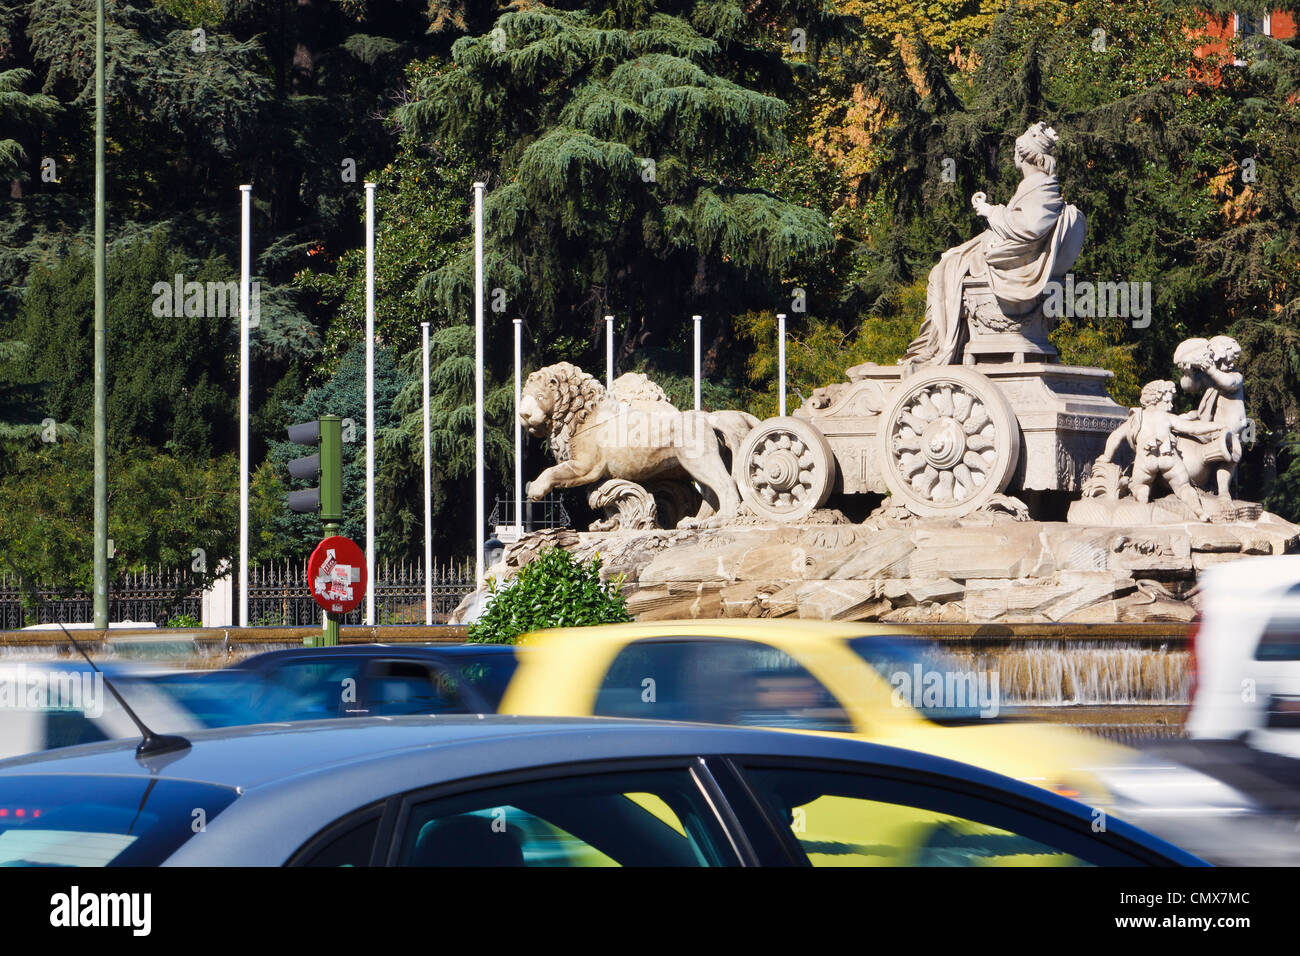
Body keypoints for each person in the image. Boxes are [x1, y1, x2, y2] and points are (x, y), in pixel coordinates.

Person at [900, 122, 1086, 371]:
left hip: (1009, 262)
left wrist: (991, 211)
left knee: (945, 269)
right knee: (950, 261)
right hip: (1007, 252)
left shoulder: (1041, 187)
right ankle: (937, 342)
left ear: (1021, 156)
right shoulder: (1040, 186)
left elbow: (1028, 227)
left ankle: (938, 345)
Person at [1096, 380, 1222, 520]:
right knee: (1184, 487)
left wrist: (1106, 457)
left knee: (1139, 484)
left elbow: (1115, 437)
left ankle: (1142, 494)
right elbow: (1193, 428)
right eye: (1168, 402)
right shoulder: (1166, 417)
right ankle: (1199, 511)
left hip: (1145, 461)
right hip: (1168, 458)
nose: (1171, 405)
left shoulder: (1137, 418)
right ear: (1156, 399)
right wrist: (1217, 426)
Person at [1174, 335, 1247, 499]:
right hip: (1209, 426)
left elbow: (1228, 383)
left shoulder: (1235, 376)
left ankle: (1223, 491)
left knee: (1227, 459)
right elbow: (1189, 387)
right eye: (1229, 358)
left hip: (1230, 428)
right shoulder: (1208, 376)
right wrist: (1188, 373)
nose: (1231, 362)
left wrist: (1210, 369)